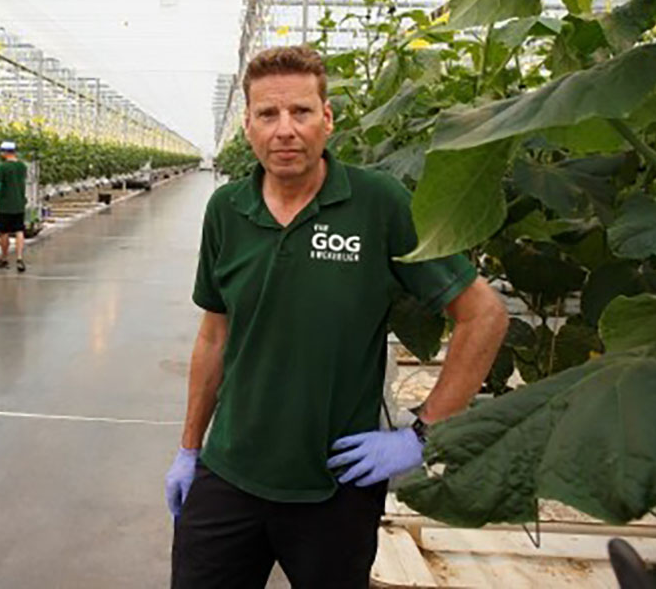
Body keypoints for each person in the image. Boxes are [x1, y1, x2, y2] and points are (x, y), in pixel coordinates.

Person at [166, 46, 509, 588]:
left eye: (301, 112)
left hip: (336, 483)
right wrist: (190, 449)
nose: (285, 130)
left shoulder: (378, 204)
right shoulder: (226, 211)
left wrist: (424, 433)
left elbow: (484, 315)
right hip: (230, 472)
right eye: (267, 115)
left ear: (328, 119)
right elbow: (214, 336)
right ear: (248, 127)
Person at [0, 140, 28, 273]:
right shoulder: (22, 166)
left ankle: (4, 258)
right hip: (19, 203)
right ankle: (19, 258)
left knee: (4, 232)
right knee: (19, 231)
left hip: (5, 205)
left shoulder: (2, 168)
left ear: (4, 152)